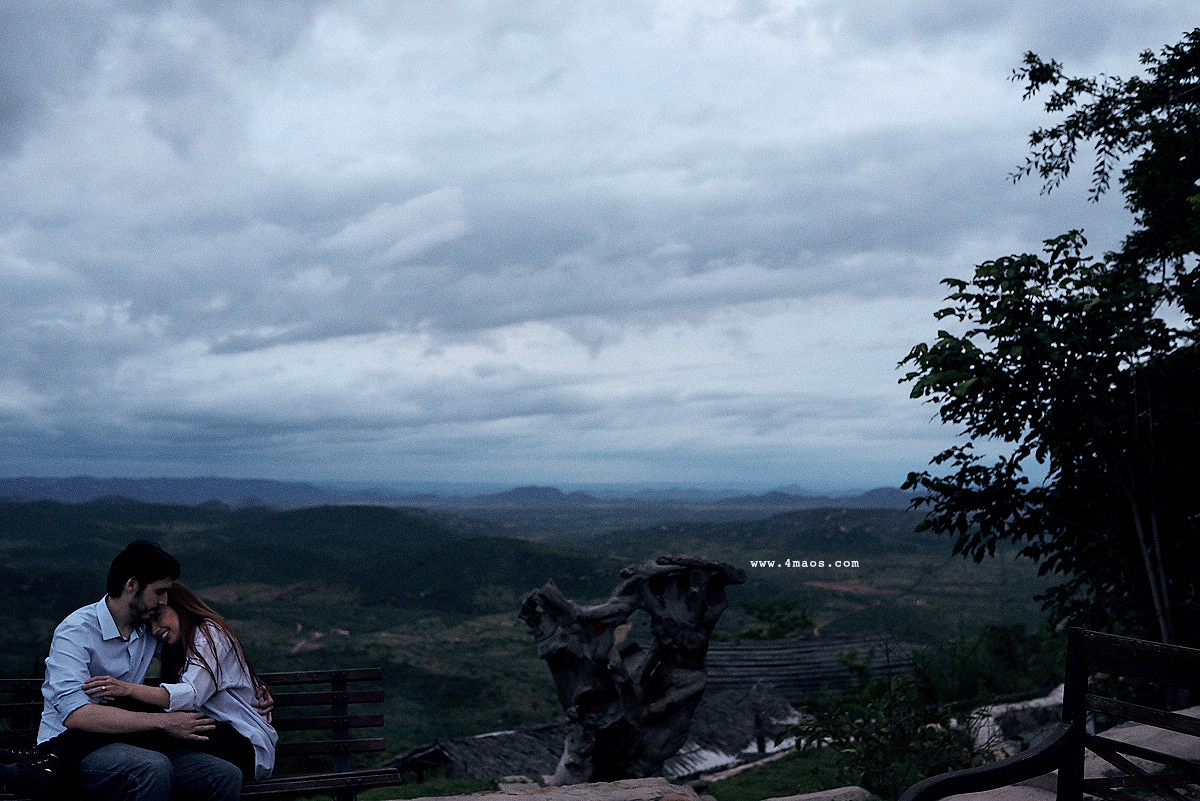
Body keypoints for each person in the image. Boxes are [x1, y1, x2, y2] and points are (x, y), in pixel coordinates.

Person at [3, 541, 246, 800]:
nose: (165, 601)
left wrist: (248, 685)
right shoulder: (76, 632)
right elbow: (76, 716)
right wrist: (164, 723)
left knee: (223, 775)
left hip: (129, 742)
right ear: (131, 585)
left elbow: (201, 659)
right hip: (67, 753)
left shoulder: (147, 631)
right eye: (160, 592)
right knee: (151, 768)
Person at [84, 582, 277, 781]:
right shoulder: (180, 643)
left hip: (245, 748)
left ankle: (68, 754)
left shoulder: (210, 634)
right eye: (149, 626)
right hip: (216, 738)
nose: (155, 630)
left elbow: (191, 695)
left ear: (180, 606)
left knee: (129, 706)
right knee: (135, 715)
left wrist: (126, 689)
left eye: (158, 617)